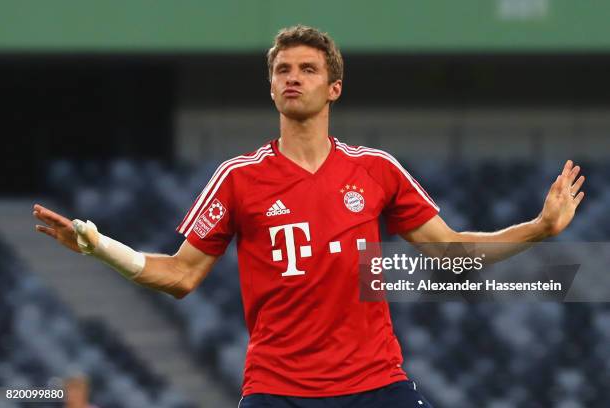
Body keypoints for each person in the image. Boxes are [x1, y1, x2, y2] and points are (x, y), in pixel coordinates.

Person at [34, 25, 585, 408]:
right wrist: (99, 246)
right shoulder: (238, 178)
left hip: (374, 385)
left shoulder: (375, 170)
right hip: (278, 391)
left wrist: (537, 229)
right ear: (271, 87)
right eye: (282, 69)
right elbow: (180, 276)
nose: (292, 77)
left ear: (333, 87)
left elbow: (450, 250)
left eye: (307, 69)